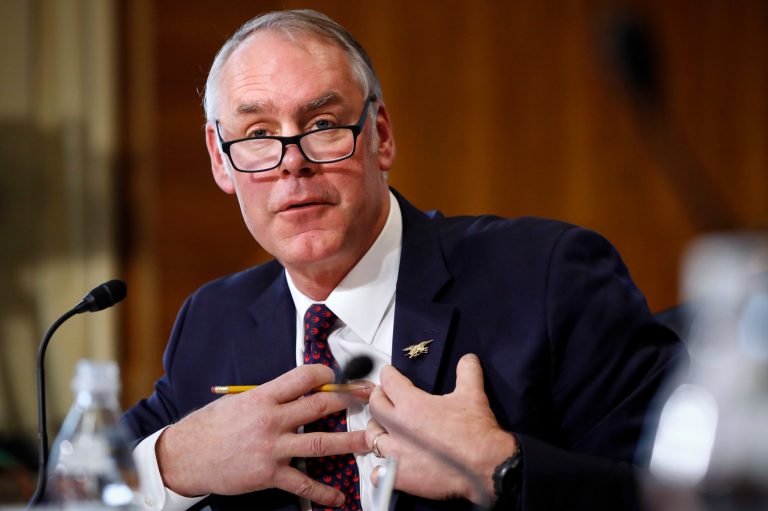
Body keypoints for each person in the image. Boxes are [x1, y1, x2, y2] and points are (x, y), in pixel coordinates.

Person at [122, 8, 685, 511]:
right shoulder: (211, 323)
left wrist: (503, 468)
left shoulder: (548, 278)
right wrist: (171, 462)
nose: (292, 163)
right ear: (221, 162)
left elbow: (701, 494)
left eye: (321, 125)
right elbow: (62, 491)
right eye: (258, 134)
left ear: (381, 136)